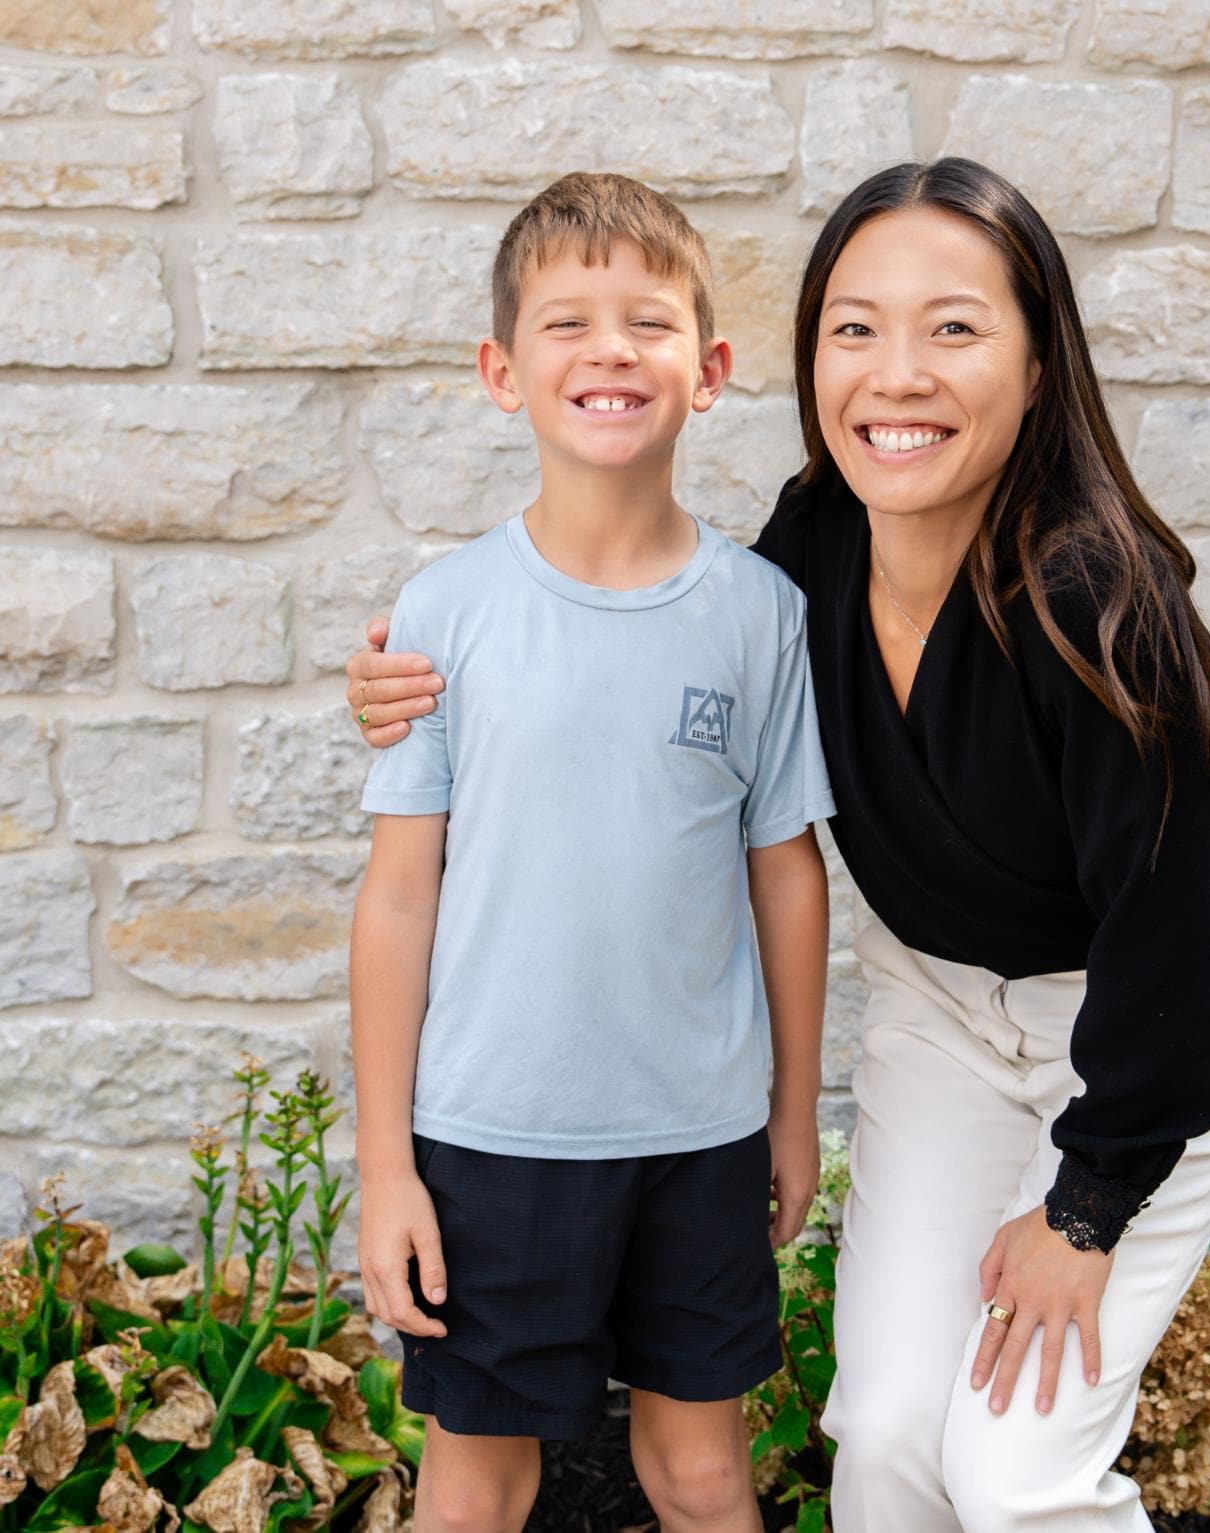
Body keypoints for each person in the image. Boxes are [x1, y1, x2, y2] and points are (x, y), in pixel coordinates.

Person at [347, 158, 1210, 1532]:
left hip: (1142, 1031)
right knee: (887, 1438)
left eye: (954, 328)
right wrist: (400, 678)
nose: (896, 374)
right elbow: (628, 637)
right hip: (938, 1017)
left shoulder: (1097, 606)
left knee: (1013, 1471)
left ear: (1038, 365)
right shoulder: (803, 561)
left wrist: (1084, 1213)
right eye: (856, 328)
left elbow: (1166, 939)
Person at [348, 171, 833, 1533]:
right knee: (478, 1480)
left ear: (711, 367)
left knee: (697, 1471)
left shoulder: (761, 613)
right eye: (566, 323)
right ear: (503, 373)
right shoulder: (445, 609)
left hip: (702, 1132)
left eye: (647, 321)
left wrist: (792, 1109)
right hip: (493, 1138)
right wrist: (388, 1166)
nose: (610, 349)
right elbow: (397, 901)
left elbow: (786, 873)